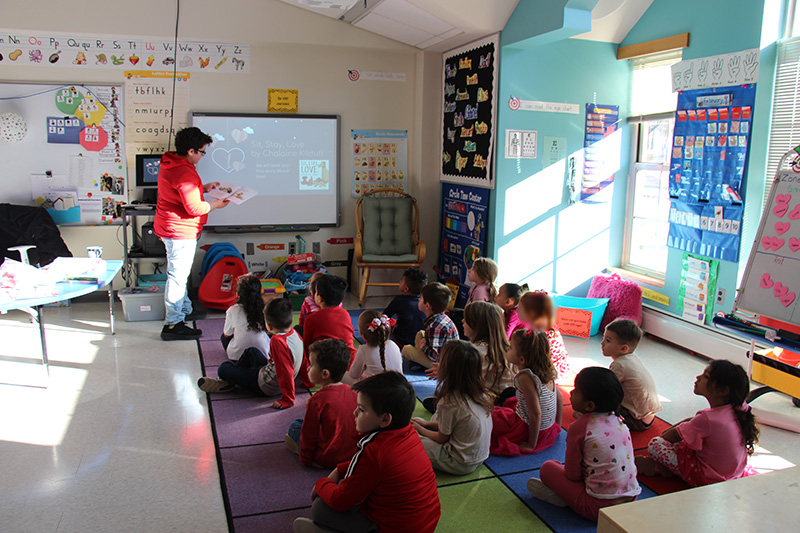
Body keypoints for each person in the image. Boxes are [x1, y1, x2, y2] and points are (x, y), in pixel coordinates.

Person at [292, 372, 441, 533]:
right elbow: (371, 469)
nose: (354, 413)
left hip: (393, 527)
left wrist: (321, 484)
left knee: (320, 508)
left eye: (362, 410)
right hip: (426, 523)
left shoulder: (374, 450)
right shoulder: (408, 432)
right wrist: (339, 470)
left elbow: (340, 500)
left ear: (385, 420)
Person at [527, 367, 641, 522]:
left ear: (589, 406)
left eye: (576, 390)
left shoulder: (580, 428)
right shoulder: (620, 422)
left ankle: (561, 497)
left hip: (597, 508)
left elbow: (572, 474)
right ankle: (566, 496)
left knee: (548, 467)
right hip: (631, 500)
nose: (572, 393)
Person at [155, 126, 230, 341]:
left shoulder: (171, 162)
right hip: (179, 230)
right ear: (190, 151)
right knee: (177, 277)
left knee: (180, 274)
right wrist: (216, 204)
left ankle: (185, 309)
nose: (201, 156)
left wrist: (203, 188)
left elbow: (180, 192)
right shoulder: (183, 171)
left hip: (172, 227)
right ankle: (172, 324)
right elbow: (194, 209)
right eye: (201, 152)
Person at [635, 360, 759, 487]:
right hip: (733, 475)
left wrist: (685, 426)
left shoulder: (707, 419)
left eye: (706, 376)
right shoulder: (737, 410)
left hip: (708, 479)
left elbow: (665, 437)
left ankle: (663, 469)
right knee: (688, 438)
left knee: (655, 445)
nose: (698, 377)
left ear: (723, 391)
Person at [197, 298, 305, 409]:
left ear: (269, 326)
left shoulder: (277, 341)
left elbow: (285, 372)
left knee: (223, 368)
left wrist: (288, 399)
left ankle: (228, 381)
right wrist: (307, 381)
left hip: (265, 386)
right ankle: (232, 380)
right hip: (270, 374)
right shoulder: (294, 333)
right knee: (251, 351)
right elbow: (303, 358)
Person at [411, 340, 493, 475]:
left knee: (411, 438)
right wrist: (426, 424)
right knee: (420, 421)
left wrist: (420, 428)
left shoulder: (450, 402)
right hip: (480, 456)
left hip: (459, 462)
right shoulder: (481, 393)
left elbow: (441, 438)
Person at [425, 301, 512, 411]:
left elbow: (469, 384)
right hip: (507, 404)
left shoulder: (477, 351)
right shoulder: (507, 347)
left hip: (488, 405)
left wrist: (447, 373)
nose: (462, 321)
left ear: (476, 325)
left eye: (466, 320)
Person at [285, 339, 359, 468]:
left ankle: (299, 449)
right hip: (352, 455)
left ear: (325, 374)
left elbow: (309, 436)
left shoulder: (317, 400)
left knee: (295, 426)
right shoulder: (354, 392)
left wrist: (306, 459)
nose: (308, 368)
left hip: (326, 458)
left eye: (311, 365)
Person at [490, 329, 562, 456]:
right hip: (548, 428)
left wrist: (531, 444)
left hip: (529, 430)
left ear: (522, 359)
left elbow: (536, 413)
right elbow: (559, 398)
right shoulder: (547, 370)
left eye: (511, 347)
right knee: (509, 401)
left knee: (489, 417)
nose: (507, 348)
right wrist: (557, 426)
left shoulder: (525, 377)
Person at [602, 318, 662, 431]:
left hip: (637, 421)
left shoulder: (620, 365)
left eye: (608, 340)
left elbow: (606, 389)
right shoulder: (632, 357)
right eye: (603, 338)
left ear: (624, 348)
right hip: (649, 417)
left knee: (601, 398)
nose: (602, 343)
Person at [302, 274, 357, 371]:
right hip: (348, 363)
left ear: (320, 299)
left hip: (323, 365)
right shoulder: (345, 314)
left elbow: (307, 347)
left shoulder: (311, 319)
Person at [401, 282, 459, 370]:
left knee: (406, 350)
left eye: (421, 298)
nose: (419, 300)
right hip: (440, 352)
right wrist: (425, 341)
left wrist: (424, 346)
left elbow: (435, 356)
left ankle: (423, 363)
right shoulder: (438, 317)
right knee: (420, 334)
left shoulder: (436, 326)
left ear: (427, 305)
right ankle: (420, 360)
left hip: (442, 363)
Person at [518, 290, 569, 379]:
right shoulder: (543, 326)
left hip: (550, 374)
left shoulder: (540, 333)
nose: (517, 310)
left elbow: (534, 360)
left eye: (520, 307)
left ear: (532, 313)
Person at [220, 273, 270, 361]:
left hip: (237, 357)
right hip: (263, 355)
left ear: (237, 293)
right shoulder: (265, 308)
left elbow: (227, 335)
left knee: (223, 337)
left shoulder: (233, 310)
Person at [345, 311, 403, 384]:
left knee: (342, 375)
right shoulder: (393, 345)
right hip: (398, 388)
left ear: (363, 336)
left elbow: (354, 374)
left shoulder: (364, 350)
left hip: (374, 391)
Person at [382, 267, 428, 348]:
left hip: (401, 342)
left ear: (406, 288)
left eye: (401, 281)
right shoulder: (426, 303)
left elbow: (385, 316)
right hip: (420, 343)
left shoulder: (399, 300)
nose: (399, 282)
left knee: (381, 319)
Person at [296, 272, 325, 337]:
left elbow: (302, 320)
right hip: (329, 335)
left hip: (312, 335)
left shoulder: (308, 301)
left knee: (297, 329)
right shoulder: (338, 304)